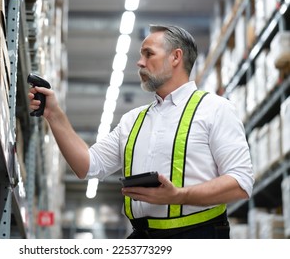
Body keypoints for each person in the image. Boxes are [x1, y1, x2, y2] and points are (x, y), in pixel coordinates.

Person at [28, 24, 254, 239]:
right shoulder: (133, 120)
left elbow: (241, 182)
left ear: (176, 57)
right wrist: (54, 114)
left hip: (199, 237)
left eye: (148, 54)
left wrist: (179, 196)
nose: (139, 62)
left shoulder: (215, 109)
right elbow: (87, 166)